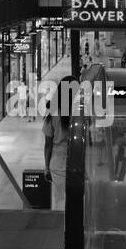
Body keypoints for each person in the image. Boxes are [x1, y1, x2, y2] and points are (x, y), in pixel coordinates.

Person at [43, 76, 79, 210]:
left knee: (59, 199)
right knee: (76, 198)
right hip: (77, 157)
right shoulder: (79, 113)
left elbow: (48, 145)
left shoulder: (53, 113)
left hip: (57, 161)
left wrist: (46, 167)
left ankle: (60, 228)